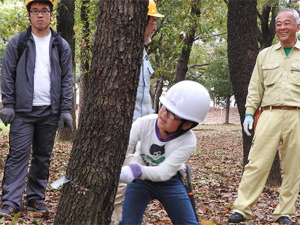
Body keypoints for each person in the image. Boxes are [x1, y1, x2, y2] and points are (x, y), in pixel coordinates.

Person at [0, 0, 73, 216]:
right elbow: (7, 75)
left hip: (49, 112)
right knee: (18, 156)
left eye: (44, 11)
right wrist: (9, 104)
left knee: (43, 157)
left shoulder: (61, 45)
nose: (39, 15)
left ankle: (35, 198)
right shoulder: (18, 42)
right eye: (35, 11)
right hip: (22, 112)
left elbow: (66, 79)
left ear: (51, 14)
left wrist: (65, 109)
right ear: (29, 15)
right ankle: (10, 201)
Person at [228, 8, 300, 225]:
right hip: (269, 114)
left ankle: (284, 212)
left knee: (294, 167)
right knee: (256, 163)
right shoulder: (265, 54)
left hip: (297, 116)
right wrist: (249, 113)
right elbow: (255, 88)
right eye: (278, 23)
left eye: (287, 23)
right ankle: (242, 209)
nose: (282, 27)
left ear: (297, 26)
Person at [119, 80, 210, 224]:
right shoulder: (144, 123)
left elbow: (164, 172)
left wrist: (135, 170)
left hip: (170, 182)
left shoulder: (188, 141)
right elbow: (122, 150)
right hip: (140, 182)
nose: (163, 114)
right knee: (129, 222)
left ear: (187, 124)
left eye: (172, 114)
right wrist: (119, 170)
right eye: (164, 107)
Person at [111, 0, 164, 223]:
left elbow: (144, 98)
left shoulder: (142, 53)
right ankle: (116, 221)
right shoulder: (123, 51)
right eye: (152, 21)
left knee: (136, 181)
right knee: (122, 185)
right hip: (125, 132)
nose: (153, 27)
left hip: (142, 130)